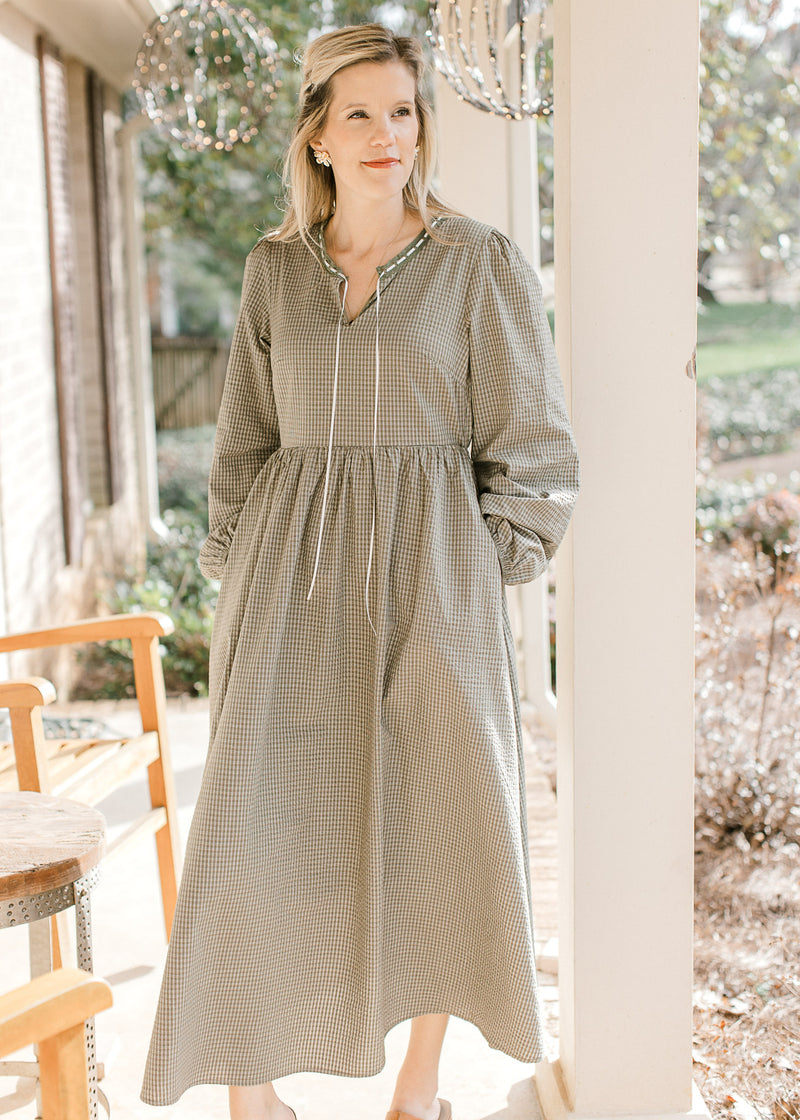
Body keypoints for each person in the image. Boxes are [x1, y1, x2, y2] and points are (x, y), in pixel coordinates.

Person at [140, 22, 580, 1120]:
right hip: (286, 586)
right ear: (317, 137)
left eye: (403, 110)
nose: (388, 135)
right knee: (255, 824)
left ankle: (416, 1087)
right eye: (359, 114)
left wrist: (477, 570)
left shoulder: (475, 263)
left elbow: (531, 445)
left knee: (443, 822)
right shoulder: (272, 272)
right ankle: (252, 1089)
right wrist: (232, 569)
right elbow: (240, 447)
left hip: (432, 583)